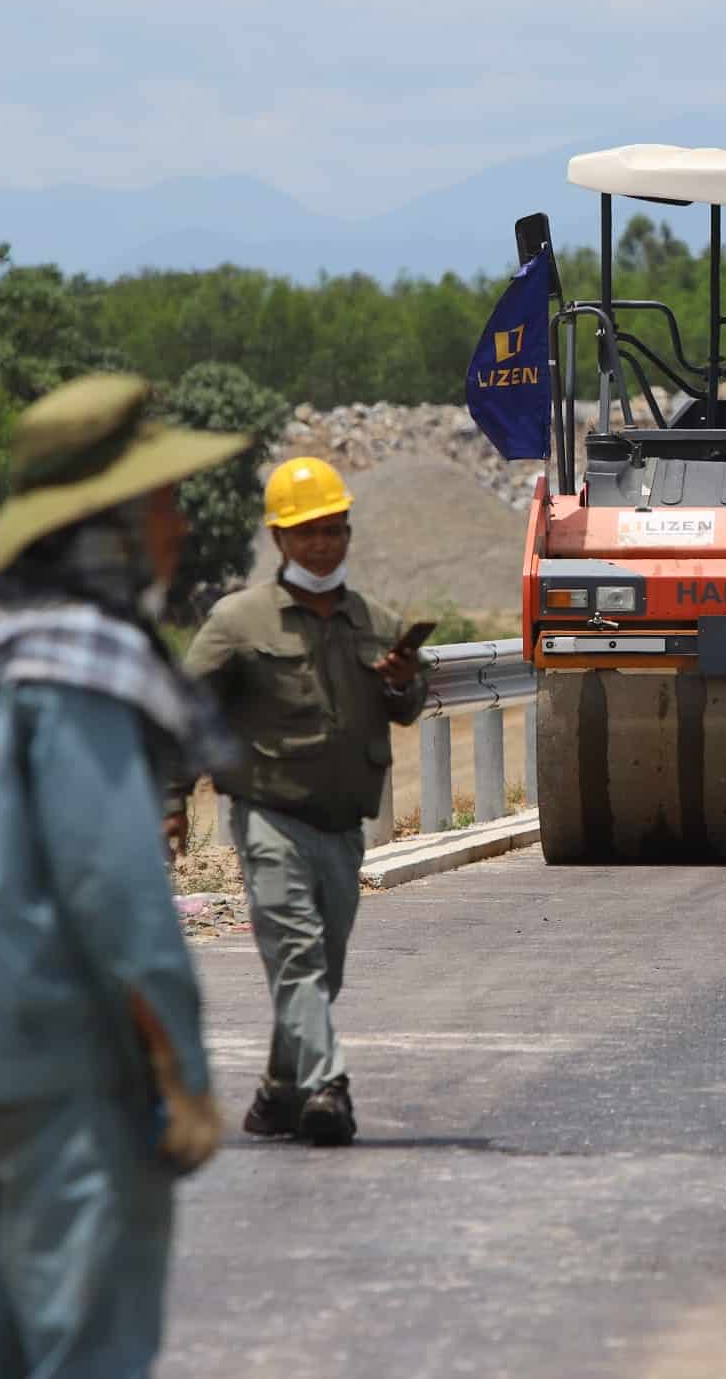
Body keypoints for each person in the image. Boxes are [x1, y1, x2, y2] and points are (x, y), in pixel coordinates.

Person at [0, 374, 249, 1377]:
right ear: (111, 523)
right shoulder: (78, 664)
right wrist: (180, 1067)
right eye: (163, 502)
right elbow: (117, 893)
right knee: (88, 1348)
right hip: (74, 1065)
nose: (177, 527)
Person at [178, 456, 427, 1148]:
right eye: (307, 532)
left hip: (343, 827)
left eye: (333, 529)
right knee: (297, 957)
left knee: (324, 968)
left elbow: (408, 705)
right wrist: (172, 797)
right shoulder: (237, 621)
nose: (322, 544)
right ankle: (328, 1086)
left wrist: (404, 680)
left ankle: (278, 1091)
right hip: (268, 819)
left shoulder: (374, 620)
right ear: (280, 539)